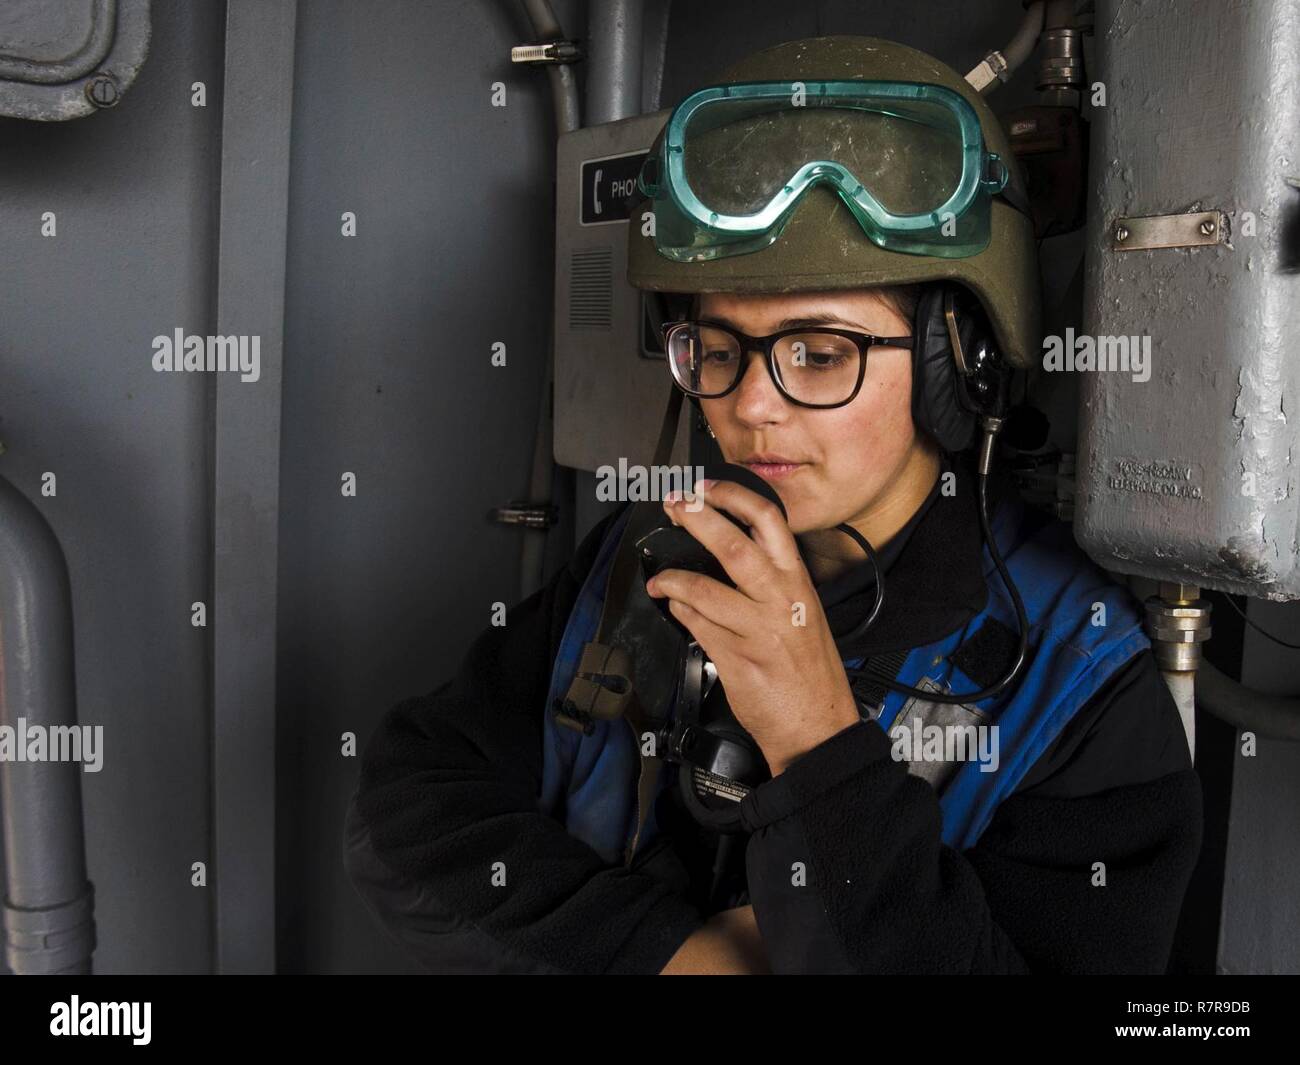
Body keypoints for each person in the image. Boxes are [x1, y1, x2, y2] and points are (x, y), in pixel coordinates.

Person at [343, 35, 1202, 975]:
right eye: (718, 348)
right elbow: (408, 806)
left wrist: (820, 749)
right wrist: (667, 956)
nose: (749, 406)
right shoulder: (645, 562)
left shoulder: (1080, 676)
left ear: (960, 366)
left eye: (820, 352)